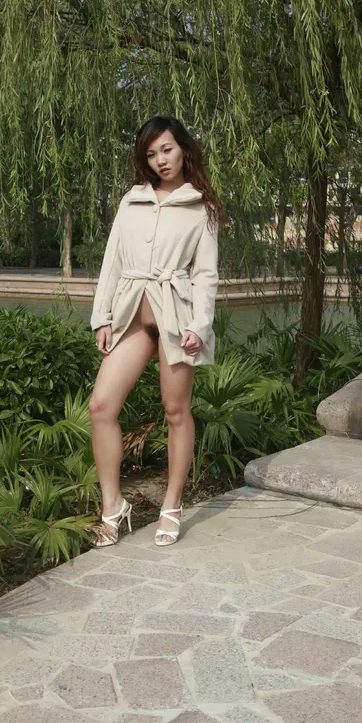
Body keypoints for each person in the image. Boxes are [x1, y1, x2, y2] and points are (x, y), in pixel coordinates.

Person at [89, 116, 223, 547]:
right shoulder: (131, 201)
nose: (161, 160)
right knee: (101, 406)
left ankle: (171, 505)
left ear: (183, 149)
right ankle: (113, 506)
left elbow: (205, 275)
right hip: (131, 314)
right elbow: (112, 260)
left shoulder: (201, 207)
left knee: (175, 411)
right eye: (151, 154)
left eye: (167, 149)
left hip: (176, 318)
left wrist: (200, 325)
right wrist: (102, 316)